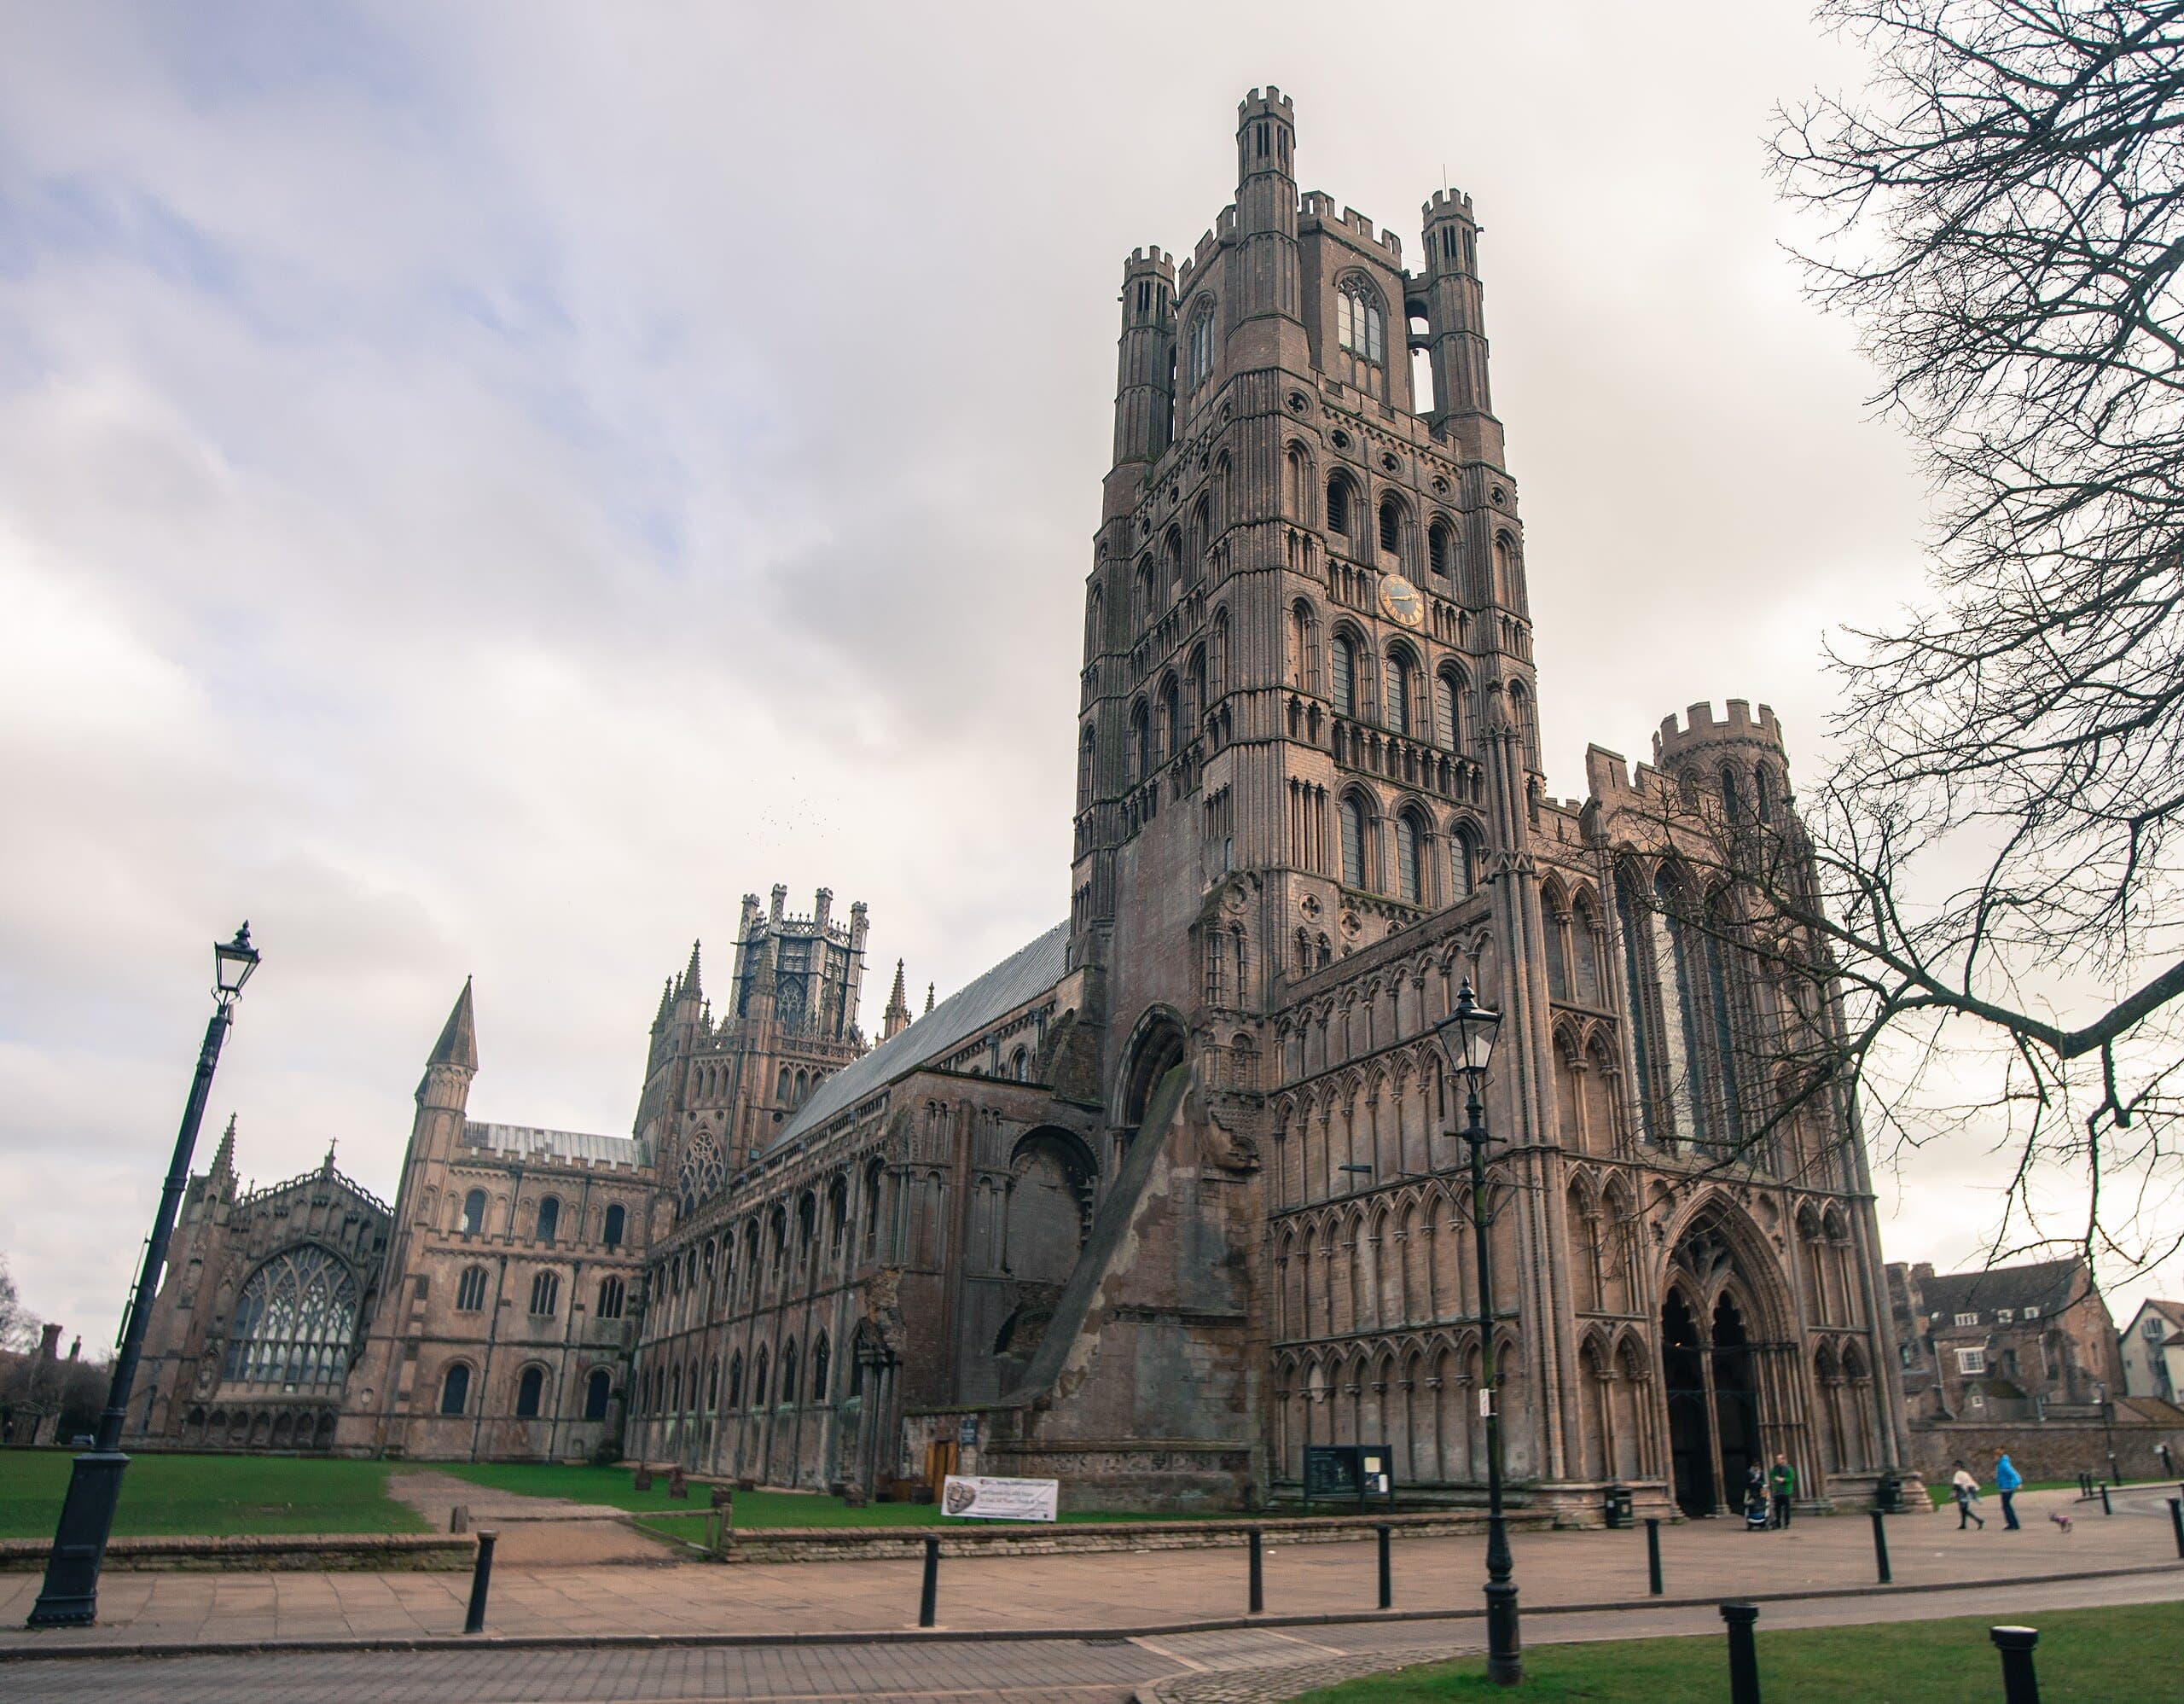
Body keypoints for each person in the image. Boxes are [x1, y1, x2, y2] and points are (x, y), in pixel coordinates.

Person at [1950, 1461, 1985, 1530]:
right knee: (1963, 1509)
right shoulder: (1965, 1473)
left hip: (1964, 1492)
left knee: (1963, 1509)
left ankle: (1979, 1520)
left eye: (1954, 1466)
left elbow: (1956, 1484)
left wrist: (1954, 1493)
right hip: (1971, 1491)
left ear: (1957, 1467)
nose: (1953, 1468)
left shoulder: (1958, 1473)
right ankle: (1963, 1524)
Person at [1769, 1453, 1798, 1529]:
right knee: (1777, 1509)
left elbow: (1791, 1478)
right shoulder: (1775, 1468)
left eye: (1779, 1459)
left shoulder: (1788, 1468)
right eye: (1777, 1459)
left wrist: (1784, 1479)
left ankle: (1787, 1523)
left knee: (1786, 1508)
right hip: (1777, 1491)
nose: (1777, 1461)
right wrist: (1775, 1478)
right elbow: (1771, 1475)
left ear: (1783, 1460)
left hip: (1785, 1491)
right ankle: (1778, 1523)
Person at [1995, 1451, 2023, 1530]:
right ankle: (2014, 1524)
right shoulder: (2001, 1464)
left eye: (1995, 1456)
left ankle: (2011, 1524)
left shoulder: (2003, 1465)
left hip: (2006, 1488)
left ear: (1998, 1456)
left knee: (2006, 1506)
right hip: (2005, 1487)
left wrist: (2018, 1483)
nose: (1994, 1458)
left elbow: (2013, 1473)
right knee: (2007, 1506)